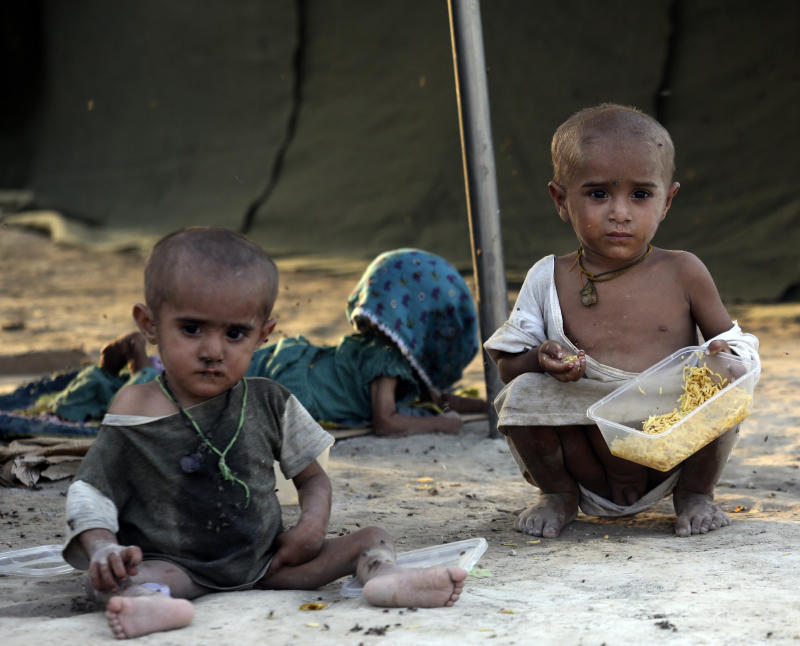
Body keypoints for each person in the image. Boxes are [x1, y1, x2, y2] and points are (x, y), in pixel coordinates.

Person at [63, 228, 467, 640]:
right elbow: (92, 489)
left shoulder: (270, 400)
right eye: (191, 329)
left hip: (269, 562)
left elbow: (312, 479)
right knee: (108, 580)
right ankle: (149, 604)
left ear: (263, 334)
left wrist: (311, 527)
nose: (213, 350)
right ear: (149, 325)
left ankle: (387, 578)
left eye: (234, 334)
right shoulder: (134, 407)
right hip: (176, 566)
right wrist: (103, 549)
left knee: (374, 537)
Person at [483, 104, 760, 540]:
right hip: (583, 449)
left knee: (723, 377)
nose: (620, 213)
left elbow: (737, 345)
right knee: (521, 394)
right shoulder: (548, 277)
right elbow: (508, 365)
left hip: (670, 449)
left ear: (667, 201)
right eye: (597, 194)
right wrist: (541, 357)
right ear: (561, 200)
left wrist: (726, 355)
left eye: (640, 195)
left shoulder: (684, 271)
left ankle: (696, 493)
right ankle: (557, 494)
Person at [44, 248, 486, 437]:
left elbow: (439, 398)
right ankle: (141, 361)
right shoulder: (386, 362)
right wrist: (443, 424)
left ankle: (150, 362)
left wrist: (486, 407)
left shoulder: (387, 354)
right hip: (293, 386)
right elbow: (387, 422)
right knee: (192, 394)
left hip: (293, 364)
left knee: (205, 375)